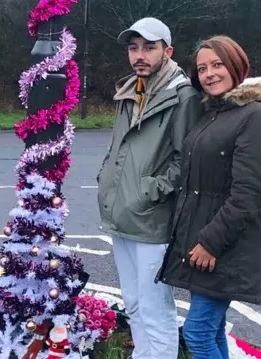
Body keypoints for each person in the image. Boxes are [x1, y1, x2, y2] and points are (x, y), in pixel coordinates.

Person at [157, 36, 261, 359]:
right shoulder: (215, 111)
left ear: (237, 66)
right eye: (202, 68)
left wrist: (211, 242)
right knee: (210, 331)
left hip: (225, 246)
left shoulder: (254, 115)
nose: (209, 73)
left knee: (197, 333)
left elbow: (249, 192)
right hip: (206, 243)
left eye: (217, 65)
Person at [96, 17, 202, 359]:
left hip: (152, 220)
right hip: (121, 214)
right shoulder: (131, 89)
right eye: (133, 47)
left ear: (167, 51)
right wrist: (106, 178)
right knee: (134, 303)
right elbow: (118, 149)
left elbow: (186, 160)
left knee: (156, 309)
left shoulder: (182, 97)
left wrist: (148, 191)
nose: (139, 55)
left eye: (149, 47)